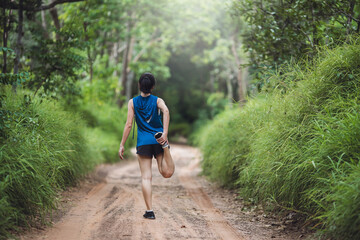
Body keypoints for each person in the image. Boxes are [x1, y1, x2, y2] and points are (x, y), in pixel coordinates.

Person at [118, 72, 175, 220]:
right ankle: (166, 146)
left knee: (146, 178)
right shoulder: (157, 100)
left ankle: (149, 211)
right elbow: (166, 111)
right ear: (153, 86)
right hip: (158, 140)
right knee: (166, 173)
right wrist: (165, 133)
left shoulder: (132, 102)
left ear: (139, 85)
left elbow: (129, 124)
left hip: (143, 142)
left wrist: (122, 144)